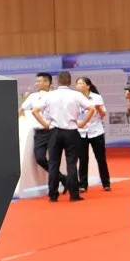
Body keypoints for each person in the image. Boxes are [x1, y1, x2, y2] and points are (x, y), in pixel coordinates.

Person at [33, 71, 95, 202]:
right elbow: (91, 108)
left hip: (54, 131)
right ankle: (74, 195)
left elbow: (35, 111)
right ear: (70, 82)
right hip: (71, 131)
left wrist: (45, 124)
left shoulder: (50, 95)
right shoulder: (76, 95)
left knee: (53, 164)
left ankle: (53, 195)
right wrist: (83, 123)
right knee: (71, 164)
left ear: (57, 82)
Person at [75, 76, 111, 192]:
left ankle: (106, 183)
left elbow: (103, 114)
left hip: (96, 131)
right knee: (83, 159)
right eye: (77, 84)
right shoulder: (75, 98)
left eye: (81, 83)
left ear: (88, 86)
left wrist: (99, 109)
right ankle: (82, 185)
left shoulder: (96, 97)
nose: (78, 86)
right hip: (81, 132)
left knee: (100, 158)